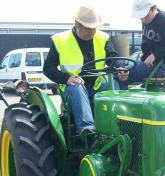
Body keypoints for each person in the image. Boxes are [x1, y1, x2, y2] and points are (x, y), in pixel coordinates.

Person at [43, 5, 128, 135]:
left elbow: (113, 58)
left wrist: (120, 68)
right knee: (77, 86)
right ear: (77, 24)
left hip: (96, 85)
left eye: (94, 28)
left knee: (112, 83)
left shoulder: (102, 38)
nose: (91, 32)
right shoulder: (61, 40)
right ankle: (87, 129)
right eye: (88, 28)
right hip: (72, 88)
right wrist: (67, 78)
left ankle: (118, 124)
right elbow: (48, 68)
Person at [119, 0, 165, 88]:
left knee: (120, 77)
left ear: (154, 8)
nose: (143, 19)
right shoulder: (146, 20)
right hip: (148, 64)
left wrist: (155, 54)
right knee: (120, 73)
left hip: (161, 66)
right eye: (140, 17)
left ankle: (121, 101)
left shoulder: (164, 21)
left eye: (145, 16)